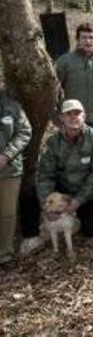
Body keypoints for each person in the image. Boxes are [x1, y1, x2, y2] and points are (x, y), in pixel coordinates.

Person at [36, 100, 93, 239]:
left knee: (92, 232)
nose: (73, 117)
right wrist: (47, 205)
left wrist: (78, 200)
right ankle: (36, 231)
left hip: (88, 193)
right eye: (68, 114)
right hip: (63, 193)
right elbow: (45, 175)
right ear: (61, 118)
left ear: (84, 116)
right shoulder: (53, 142)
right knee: (30, 191)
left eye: (77, 113)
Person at [54, 23, 93, 143]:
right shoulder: (65, 62)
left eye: (91, 37)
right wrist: (58, 115)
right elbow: (53, 90)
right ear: (77, 39)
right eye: (84, 38)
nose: (88, 41)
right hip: (73, 120)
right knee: (74, 159)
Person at [0, 86, 31, 269]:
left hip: (9, 169)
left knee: (7, 214)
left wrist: (6, 155)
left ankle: (4, 254)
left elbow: (25, 132)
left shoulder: (12, 106)